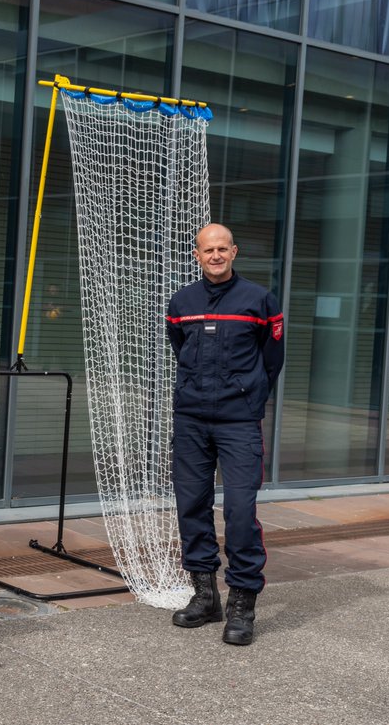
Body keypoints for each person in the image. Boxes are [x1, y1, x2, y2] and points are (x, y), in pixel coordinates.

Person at [165, 223, 284, 646]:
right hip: (192, 419)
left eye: (222, 249)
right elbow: (180, 346)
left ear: (235, 252)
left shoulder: (259, 300)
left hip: (238, 422)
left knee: (238, 510)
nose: (214, 256)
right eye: (207, 250)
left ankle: (242, 605)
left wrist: (247, 399)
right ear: (196, 255)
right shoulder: (182, 302)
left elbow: (272, 360)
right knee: (191, 505)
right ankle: (205, 597)